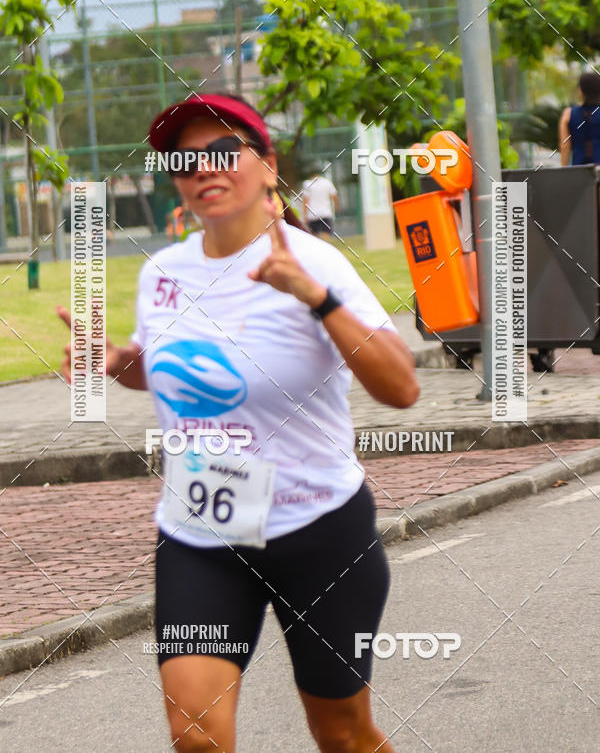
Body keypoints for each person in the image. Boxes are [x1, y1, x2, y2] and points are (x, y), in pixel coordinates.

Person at [58, 93, 419, 752]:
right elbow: (167, 370)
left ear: (267, 165)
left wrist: (316, 299)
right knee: (195, 733)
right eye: (184, 158)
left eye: (224, 150)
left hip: (319, 534)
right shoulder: (164, 271)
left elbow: (402, 388)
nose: (205, 167)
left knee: (342, 733)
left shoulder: (318, 264)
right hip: (203, 537)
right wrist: (116, 361)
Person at [558, 71, 600, 166]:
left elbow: (565, 147)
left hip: (579, 169)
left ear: (581, 90)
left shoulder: (568, 114)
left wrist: (564, 171)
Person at [302, 170, 339, 237]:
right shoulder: (327, 182)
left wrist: (304, 215)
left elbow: (305, 201)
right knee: (326, 234)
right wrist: (336, 207)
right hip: (325, 213)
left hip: (312, 215)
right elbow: (334, 196)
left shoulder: (307, 184)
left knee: (314, 236)